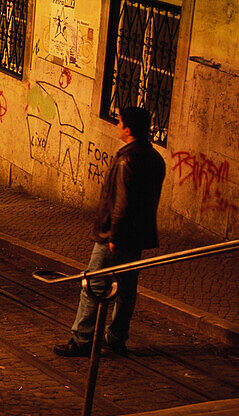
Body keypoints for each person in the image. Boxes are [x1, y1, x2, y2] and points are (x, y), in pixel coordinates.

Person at [54, 106, 166, 358]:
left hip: (115, 236)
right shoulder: (155, 158)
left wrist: (114, 235)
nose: (117, 126)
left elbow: (123, 202)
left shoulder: (128, 159)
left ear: (128, 129)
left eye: (119, 123)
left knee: (93, 284)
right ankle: (116, 337)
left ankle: (81, 338)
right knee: (127, 287)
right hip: (137, 236)